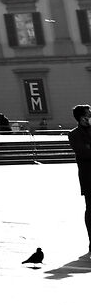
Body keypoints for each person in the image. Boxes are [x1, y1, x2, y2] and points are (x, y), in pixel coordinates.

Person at [70, 103, 91, 252]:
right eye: (89, 115)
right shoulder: (74, 134)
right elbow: (84, 153)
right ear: (82, 118)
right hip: (89, 178)